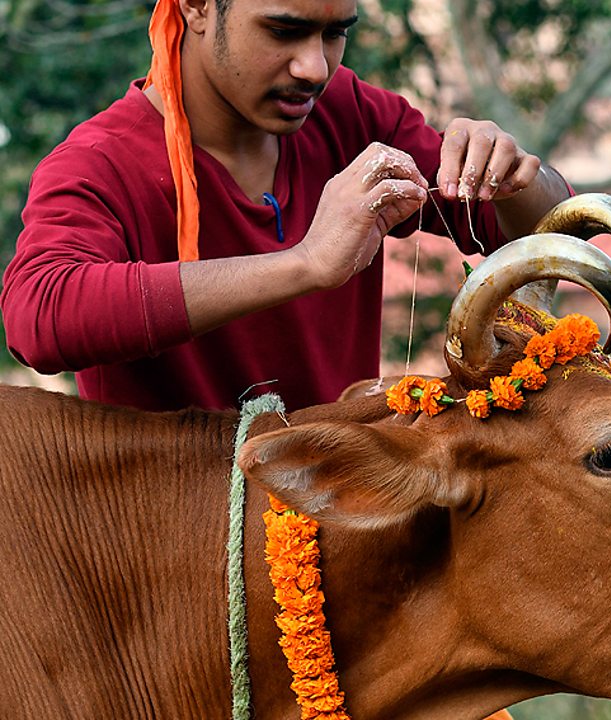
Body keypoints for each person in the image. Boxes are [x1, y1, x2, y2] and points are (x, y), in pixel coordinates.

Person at [0, 0, 572, 412]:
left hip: (344, 518)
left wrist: (515, 174)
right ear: (196, 9)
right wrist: (306, 263)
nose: (315, 69)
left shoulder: (348, 115)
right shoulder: (101, 163)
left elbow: (540, 228)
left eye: (334, 33)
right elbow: (39, 315)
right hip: (179, 549)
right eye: (283, 31)